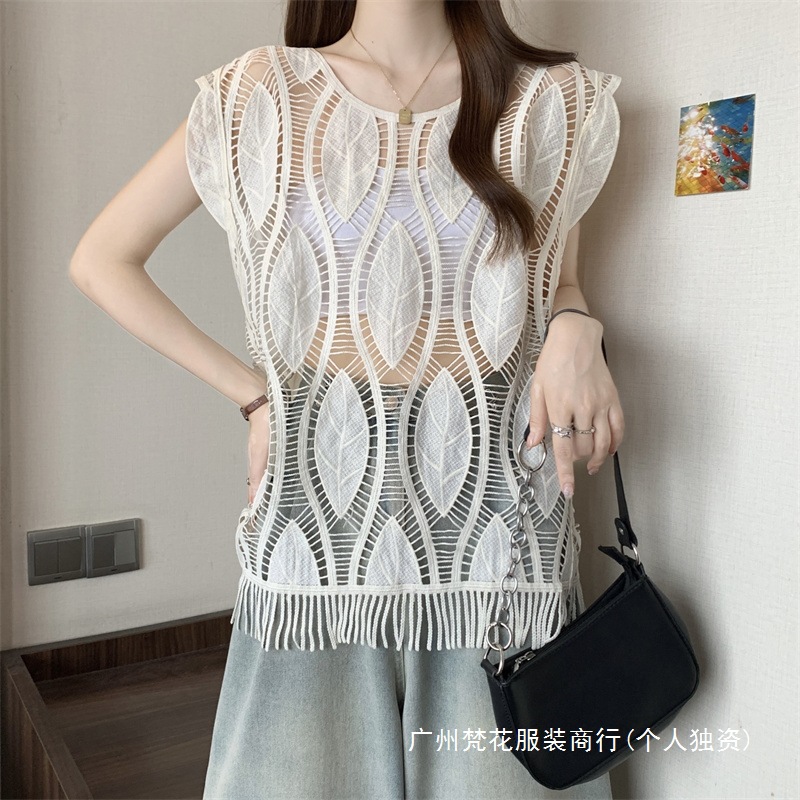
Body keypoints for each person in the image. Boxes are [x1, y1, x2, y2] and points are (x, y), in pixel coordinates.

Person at [69, 1, 625, 797]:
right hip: (320, 506)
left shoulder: (553, 100)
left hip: (499, 513)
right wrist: (254, 398)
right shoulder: (259, 92)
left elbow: (558, 280)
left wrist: (578, 328)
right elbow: (102, 259)